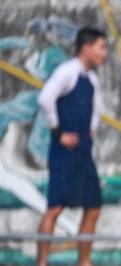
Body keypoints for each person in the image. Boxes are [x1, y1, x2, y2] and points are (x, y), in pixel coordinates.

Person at [34, 26, 108, 266]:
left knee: (93, 207)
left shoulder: (92, 80)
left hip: (83, 153)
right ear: (86, 48)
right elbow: (45, 99)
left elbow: (95, 114)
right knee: (54, 208)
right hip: (64, 152)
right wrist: (58, 132)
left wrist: (91, 136)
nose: (104, 53)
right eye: (101, 47)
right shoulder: (67, 72)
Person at [0, 18, 79, 225]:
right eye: (29, 37)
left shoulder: (55, 55)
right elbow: (9, 42)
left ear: (42, 37)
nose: (29, 41)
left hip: (54, 100)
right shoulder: (30, 44)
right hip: (38, 95)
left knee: (37, 144)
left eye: (34, 38)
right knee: (5, 111)